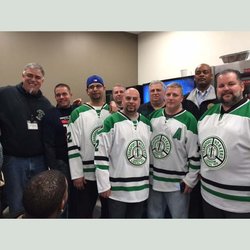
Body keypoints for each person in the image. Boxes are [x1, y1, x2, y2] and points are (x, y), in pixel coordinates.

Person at [0, 62, 52, 218]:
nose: (33, 79)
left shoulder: (46, 104)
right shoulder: (5, 94)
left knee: (39, 201)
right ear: (23, 76)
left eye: (37, 77)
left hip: (39, 161)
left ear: (42, 81)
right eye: (29, 75)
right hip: (13, 161)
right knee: (16, 202)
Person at [198, 69, 250, 218]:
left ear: (242, 86)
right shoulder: (206, 116)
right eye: (221, 86)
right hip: (209, 196)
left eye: (231, 84)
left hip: (242, 203)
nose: (226, 88)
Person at [95, 88, 152, 218]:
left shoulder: (147, 123)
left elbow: (149, 154)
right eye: (128, 98)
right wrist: (104, 185)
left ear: (139, 101)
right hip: (117, 190)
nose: (131, 101)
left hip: (141, 189)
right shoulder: (111, 122)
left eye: (135, 99)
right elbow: (100, 155)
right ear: (122, 100)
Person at [148, 83, 200, 218]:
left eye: (175, 95)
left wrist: (191, 179)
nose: (171, 98)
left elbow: (195, 153)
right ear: (164, 96)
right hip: (154, 181)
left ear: (182, 98)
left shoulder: (190, 120)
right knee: (154, 217)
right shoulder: (153, 117)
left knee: (179, 218)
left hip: (178, 183)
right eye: (168, 94)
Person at [67, 74, 110, 218]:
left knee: (108, 213)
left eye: (98, 86)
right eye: (91, 87)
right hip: (86, 175)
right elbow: (72, 145)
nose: (95, 89)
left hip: (109, 173)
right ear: (87, 91)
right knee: (84, 213)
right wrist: (77, 174)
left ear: (104, 88)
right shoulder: (77, 113)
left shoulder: (112, 112)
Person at [182, 63, 218, 218]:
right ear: (194, 77)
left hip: (212, 152)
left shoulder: (219, 98)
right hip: (189, 155)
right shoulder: (186, 99)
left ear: (211, 75)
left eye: (205, 72)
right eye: (198, 73)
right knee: (192, 199)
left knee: (210, 199)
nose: (201, 75)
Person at [42, 83, 80, 218]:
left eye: (64, 94)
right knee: (62, 199)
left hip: (79, 162)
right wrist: (53, 167)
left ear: (70, 94)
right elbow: (48, 144)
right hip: (61, 163)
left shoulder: (78, 111)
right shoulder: (50, 115)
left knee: (78, 197)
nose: (62, 97)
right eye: (58, 95)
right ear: (55, 97)